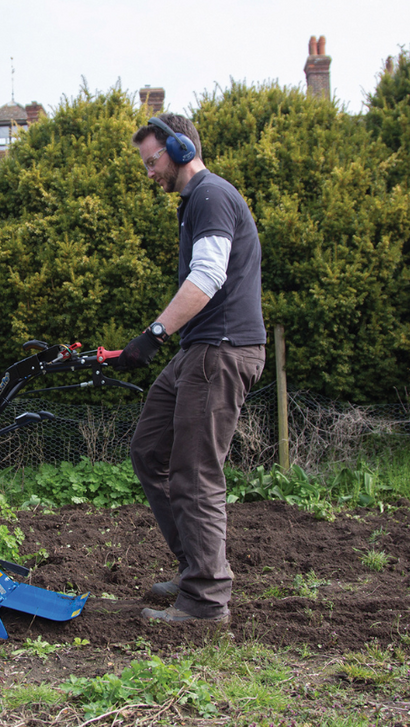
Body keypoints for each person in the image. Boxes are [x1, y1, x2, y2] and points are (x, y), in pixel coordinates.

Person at [116, 113, 266, 624]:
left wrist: (154, 334)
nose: (149, 172)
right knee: (149, 450)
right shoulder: (192, 205)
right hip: (199, 350)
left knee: (196, 472)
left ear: (179, 149)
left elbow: (208, 275)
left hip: (220, 350)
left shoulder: (209, 195)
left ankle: (205, 602)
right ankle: (197, 566)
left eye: (152, 160)